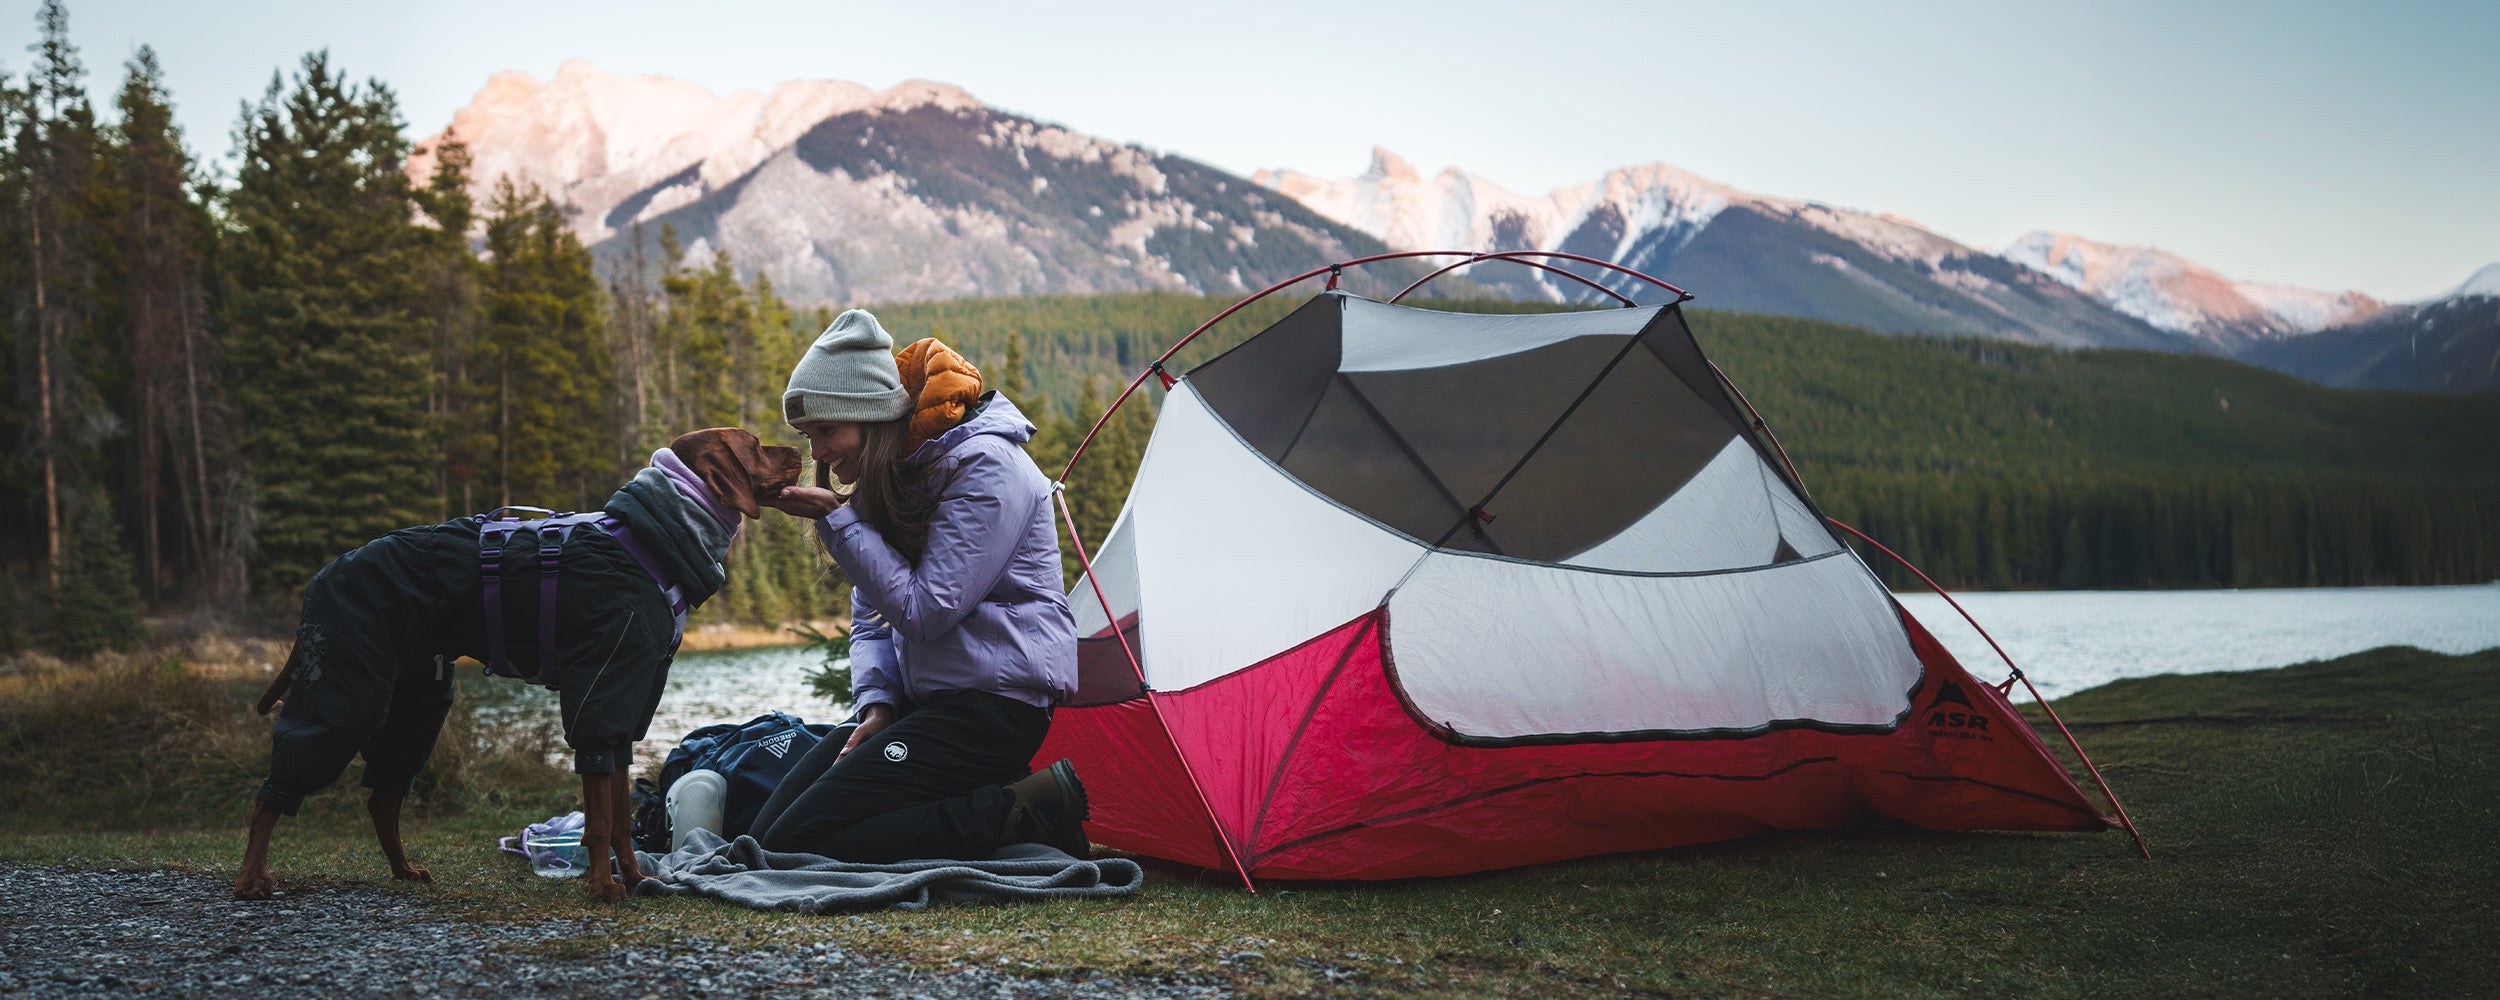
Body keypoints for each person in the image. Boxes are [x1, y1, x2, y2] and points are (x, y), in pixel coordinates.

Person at [752, 308, 1088, 862]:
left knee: (799, 842)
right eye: (809, 437)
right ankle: (992, 807)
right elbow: (873, 617)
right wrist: (878, 704)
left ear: (869, 416)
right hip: (923, 705)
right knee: (768, 838)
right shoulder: (901, 476)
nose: (819, 454)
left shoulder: (986, 466)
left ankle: (1019, 816)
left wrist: (836, 520)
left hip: (994, 710)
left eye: (825, 432)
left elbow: (926, 610)